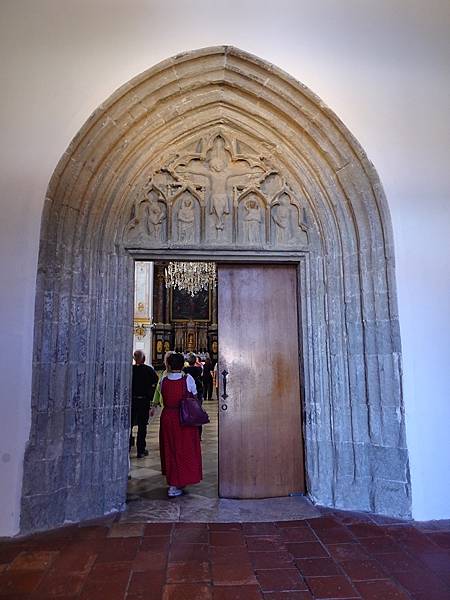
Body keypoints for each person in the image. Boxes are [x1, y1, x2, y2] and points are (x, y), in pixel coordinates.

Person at [159, 353, 203, 497]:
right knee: (185, 449)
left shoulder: (163, 380)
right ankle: (177, 482)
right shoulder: (187, 379)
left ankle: (174, 480)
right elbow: (194, 397)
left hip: (168, 417)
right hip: (184, 417)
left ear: (170, 365)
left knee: (170, 448)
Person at [130, 350, 159, 458]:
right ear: (143, 359)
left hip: (132, 401)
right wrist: (150, 394)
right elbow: (155, 382)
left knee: (130, 425)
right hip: (143, 401)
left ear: (134, 359)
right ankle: (140, 450)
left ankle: (127, 447)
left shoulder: (130, 369)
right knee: (142, 426)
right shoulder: (148, 370)